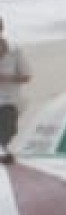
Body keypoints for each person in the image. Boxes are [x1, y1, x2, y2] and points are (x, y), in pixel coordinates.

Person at [0, 17, 30, 150]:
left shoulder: (15, 50)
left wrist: (8, 78)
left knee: (9, 132)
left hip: (10, 101)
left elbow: (27, 76)